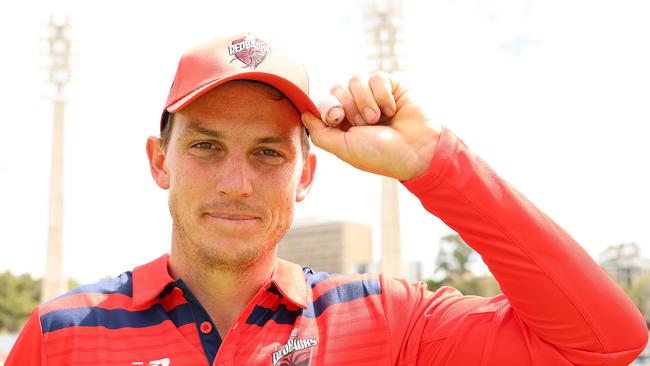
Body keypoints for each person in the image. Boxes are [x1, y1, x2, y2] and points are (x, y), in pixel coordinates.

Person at [6, 32, 648, 366]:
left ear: (306, 176)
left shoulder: (389, 322)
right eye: (205, 146)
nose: (236, 181)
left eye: (269, 152)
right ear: (159, 161)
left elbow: (602, 344)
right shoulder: (64, 334)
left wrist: (434, 165)